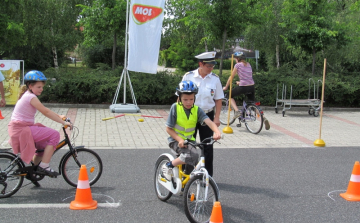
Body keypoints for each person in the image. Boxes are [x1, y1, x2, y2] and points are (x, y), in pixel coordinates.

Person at [8, 70, 72, 177]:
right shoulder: (30, 97)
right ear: (30, 85)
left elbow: (44, 109)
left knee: (44, 145)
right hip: (21, 130)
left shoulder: (28, 95)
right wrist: (63, 122)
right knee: (54, 134)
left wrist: (59, 116)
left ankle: (33, 170)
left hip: (20, 128)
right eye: (38, 87)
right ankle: (44, 166)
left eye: (42, 87)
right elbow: (45, 112)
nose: (41, 89)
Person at [162, 80, 221, 181]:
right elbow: (168, 128)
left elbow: (209, 122)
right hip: (175, 141)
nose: (189, 102)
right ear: (179, 98)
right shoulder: (175, 108)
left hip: (190, 142)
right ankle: (168, 165)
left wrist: (217, 132)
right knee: (193, 155)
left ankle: (185, 187)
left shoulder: (197, 110)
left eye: (191, 99)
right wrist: (179, 140)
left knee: (192, 162)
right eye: (185, 99)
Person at [182, 51, 224, 176]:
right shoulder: (189, 76)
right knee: (188, 146)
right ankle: (187, 176)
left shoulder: (215, 79)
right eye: (208, 66)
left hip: (207, 116)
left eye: (212, 66)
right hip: (190, 115)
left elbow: (218, 99)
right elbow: (180, 98)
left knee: (208, 147)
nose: (211, 68)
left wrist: (217, 118)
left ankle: (207, 177)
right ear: (201, 64)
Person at [222, 51, 270, 130]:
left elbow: (231, 77)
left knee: (229, 95)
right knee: (253, 104)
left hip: (243, 87)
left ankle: (237, 111)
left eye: (235, 58)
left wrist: (226, 87)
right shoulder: (248, 64)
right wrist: (239, 82)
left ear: (238, 59)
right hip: (251, 86)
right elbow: (248, 77)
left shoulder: (237, 65)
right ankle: (264, 118)